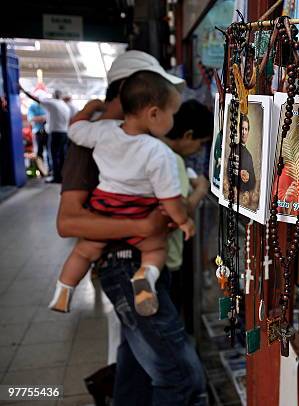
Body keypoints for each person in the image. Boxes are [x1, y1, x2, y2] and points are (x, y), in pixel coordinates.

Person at [57, 50, 207, 405]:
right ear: (132, 90)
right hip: (124, 263)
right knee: (181, 376)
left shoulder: (137, 137)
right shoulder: (93, 141)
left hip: (144, 266)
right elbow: (67, 222)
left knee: (136, 368)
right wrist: (144, 223)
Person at [49, 71, 195, 318]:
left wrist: (88, 109)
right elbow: (169, 200)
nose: (173, 120)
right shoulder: (159, 153)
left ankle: (64, 289)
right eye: (173, 113)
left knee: (84, 250)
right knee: (155, 249)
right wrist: (183, 221)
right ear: (154, 114)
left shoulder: (103, 131)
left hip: (104, 206)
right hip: (140, 208)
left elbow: (75, 130)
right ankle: (145, 276)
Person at [159, 99, 212, 313]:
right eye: (200, 143)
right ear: (188, 135)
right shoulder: (173, 160)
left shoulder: (152, 148)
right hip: (165, 258)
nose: (200, 150)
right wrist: (201, 188)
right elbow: (180, 210)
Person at [20, 87, 71, 183]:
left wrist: (23, 90)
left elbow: (35, 99)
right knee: (62, 155)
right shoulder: (64, 105)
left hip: (55, 133)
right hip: (64, 133)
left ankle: (56, 177)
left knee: (54, 155)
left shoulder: (53, 103)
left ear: (53, 95)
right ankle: (62, 176)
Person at [227, 114, 256, 192]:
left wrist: (248, 177)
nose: (243, 132)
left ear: (248, 132)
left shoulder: (249, 156)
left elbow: (253, 182)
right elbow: (228, 171)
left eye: (246, 129)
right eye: (242, 129)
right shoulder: (233, 148)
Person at [27, 101, 49, 176]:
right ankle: (42, 172)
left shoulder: (46, 105)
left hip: (47, 132)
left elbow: (49, 117)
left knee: (50, 152)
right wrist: (43, 118)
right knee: (39, 152)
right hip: (38, 133)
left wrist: (40, 118)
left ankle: (50, 171)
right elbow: (31, 119)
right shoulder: (32, 107)